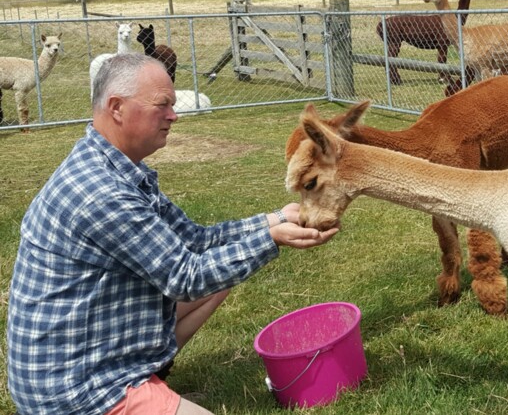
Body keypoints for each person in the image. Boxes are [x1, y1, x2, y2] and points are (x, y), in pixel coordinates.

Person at [6, 53, 339, 415]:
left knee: (221, 276)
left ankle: (152, 370)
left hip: (91, 348)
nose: (174, 115)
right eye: (162, 105)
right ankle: (136, 390)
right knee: (210, 277)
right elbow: (186, 277)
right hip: (75, 388)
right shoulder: (101, 192)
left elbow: (194, 240)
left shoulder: (119, 168)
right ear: (117, 107)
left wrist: (274, 218)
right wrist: (271, 239)